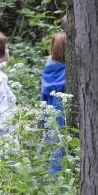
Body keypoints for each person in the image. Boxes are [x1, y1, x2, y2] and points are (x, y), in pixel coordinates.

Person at [39, 29, 70, 174]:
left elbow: (43, 99)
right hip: (62, 117)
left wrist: (42, 122)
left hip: (50, 118)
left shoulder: (49, 70)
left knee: (54, 154)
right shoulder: (69, 73)